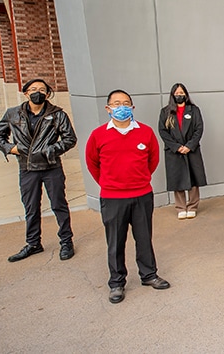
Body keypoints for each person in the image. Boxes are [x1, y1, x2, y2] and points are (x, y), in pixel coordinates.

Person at [85, 89, 170, 304]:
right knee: (115, 241)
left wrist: (138, 179)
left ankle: (149, 274)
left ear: (132, 107)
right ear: (108, 108)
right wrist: (110, 184)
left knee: (143, 238)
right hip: (112, 198)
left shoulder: (146, 132)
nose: (121, 107)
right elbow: (93, 164)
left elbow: (153, 161)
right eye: (116, 103)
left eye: (126, 103)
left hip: (141, 194)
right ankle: (116, 282)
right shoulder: (98, 135)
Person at [0, 79, 77, 262]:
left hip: (51, 166)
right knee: (31, 207)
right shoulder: (13, 114)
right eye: (33, 89)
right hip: (27, 167)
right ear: (26, 93)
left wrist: (49, 150)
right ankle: (33, 243)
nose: (37, 92)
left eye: (42, 89)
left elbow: (70, 139)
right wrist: (11, 148)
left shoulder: (57, 114)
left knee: (59, 205)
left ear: (47, 93)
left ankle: (66, 241)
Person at [158, 83, 208, 219]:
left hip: (191, 150)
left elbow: (199, 129)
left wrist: (189, 146)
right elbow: (163, 131)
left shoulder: (194, 110)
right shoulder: (165, 112)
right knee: (177, 179)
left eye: (182, 93)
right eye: (177, 93)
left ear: (186, 94)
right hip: (174, 151)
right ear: (172, 95)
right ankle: (181, 207)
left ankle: (192, 206)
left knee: (193, 178)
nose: (179, 95)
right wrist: (177, 147)